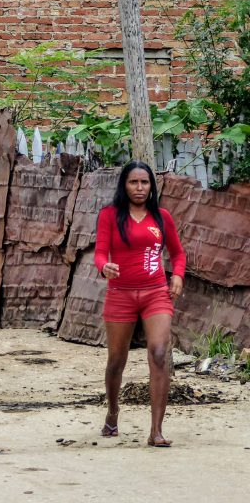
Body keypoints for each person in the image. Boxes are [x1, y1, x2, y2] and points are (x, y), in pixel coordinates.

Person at [95, 160, 185, 448]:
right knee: (116, 361)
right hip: (120, 294)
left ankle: (156, 431)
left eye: (144, 182)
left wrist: (178, 276)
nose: (139, 187)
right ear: (124, 185)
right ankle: (112, 411)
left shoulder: (161, 218)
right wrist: (104, 267)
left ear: (151, 186)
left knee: (159, 354)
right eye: (134, 182)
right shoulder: (110, 215)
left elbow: (178, 254)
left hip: (156, 293)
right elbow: (99, 253)